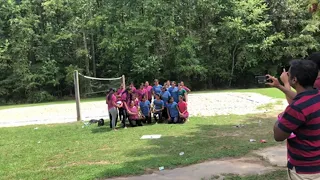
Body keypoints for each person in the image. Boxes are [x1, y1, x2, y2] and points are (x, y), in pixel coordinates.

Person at [266, 59, 320, 179]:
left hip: (305, 171)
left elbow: (278, 136)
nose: (286, 75)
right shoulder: (316, 96)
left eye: (288, 74)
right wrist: (279, 85)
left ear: (294, 79)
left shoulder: (296, 109)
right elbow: (300, 98)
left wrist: (282, 117)